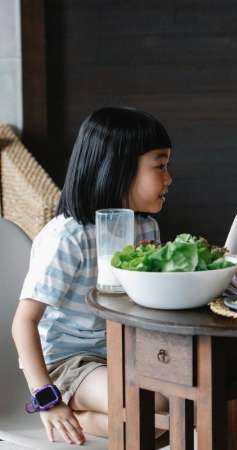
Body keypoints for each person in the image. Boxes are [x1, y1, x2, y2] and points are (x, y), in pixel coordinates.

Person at [12, 107, 173, 445]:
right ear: (120, 169)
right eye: (160, 166)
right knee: (153, 413)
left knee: (166, 411)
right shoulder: (67, 237)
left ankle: (92, 419)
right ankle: (69, 413)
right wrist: (48, 399)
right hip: (70, 362)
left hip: (123, 353)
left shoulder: (146, 226)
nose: (169, 177)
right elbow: (23, 322)